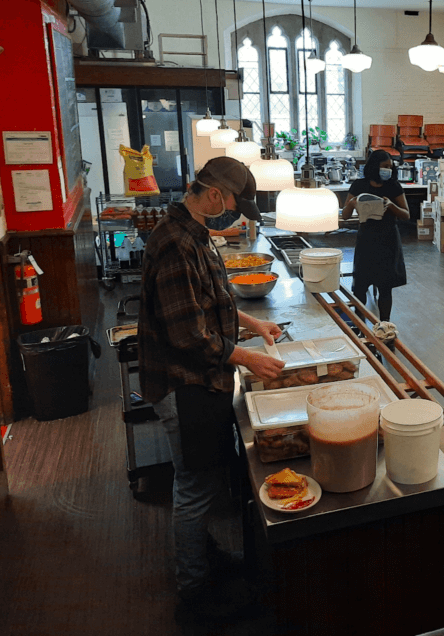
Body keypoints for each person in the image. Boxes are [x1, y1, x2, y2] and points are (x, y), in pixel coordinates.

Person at [138, 157, 286, 620]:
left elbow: (212, 303)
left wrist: (252, 322)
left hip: (197, 379)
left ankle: (204, 557)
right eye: (235, 204)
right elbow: (190, 336)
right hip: (182, 383)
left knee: (200, 479)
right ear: (217, 195)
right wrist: (250, 358)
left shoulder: (195, 232)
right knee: (194, 487)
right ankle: (194, 589)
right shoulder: (174, 244)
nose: (236, 215)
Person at [342, 150, 409, 321]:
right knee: (359, 287)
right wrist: (352, 203)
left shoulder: (393, 186)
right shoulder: (359, 185)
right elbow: (345, 215)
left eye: (390, 167)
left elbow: (406, 214)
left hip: (388, 240)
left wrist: (391, 205)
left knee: (385, 287)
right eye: (385, 166)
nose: (388, 170)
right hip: (366, 240)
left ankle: (384, 325)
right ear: (374, 166)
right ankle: (360, 326)